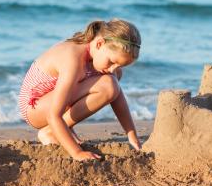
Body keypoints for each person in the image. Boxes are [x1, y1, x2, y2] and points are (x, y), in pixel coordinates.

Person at [18, 18, 142, 161]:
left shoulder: (104, 61)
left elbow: (117, 96)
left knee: (111, 83)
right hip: (34, 107)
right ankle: (50, 132)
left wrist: (131, 135)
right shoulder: (73, 60)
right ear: (99, 43)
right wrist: (77, 153)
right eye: (112, 62)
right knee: (108, 84)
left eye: (120, 65)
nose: (114, 68)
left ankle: (63, 129)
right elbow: (53, 115)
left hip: (55, 101)